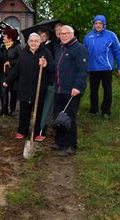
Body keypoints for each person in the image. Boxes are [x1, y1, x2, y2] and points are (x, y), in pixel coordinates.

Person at [3, 33, 54, 141]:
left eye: (36, 41)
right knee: (24, 111)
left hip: (40, 88)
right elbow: (17, 69)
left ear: (40, 42)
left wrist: (46, 65)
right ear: (28, 42)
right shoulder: (23, 53)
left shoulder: (45, 52)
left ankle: (39, 132)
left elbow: (53, 69)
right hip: (24, 88)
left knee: (40, 112)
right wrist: (7, 81)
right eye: (31, 41)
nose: (33, 43)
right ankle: (22, 131)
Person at [53, 25, 88, 156]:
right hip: (59, 89)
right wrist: (46, 64)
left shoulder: (79, 49)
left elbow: (83, 70)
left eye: (67, 33)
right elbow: (56, 67)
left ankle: (71, 145)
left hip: (71, 90)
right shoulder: (60, 48)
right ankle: (59, 141)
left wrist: (78, 87)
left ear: (72, 34)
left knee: (69, 117)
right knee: (58, 116)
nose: (64, 35)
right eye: (61, 33)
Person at [83, 15, 120, 119]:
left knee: (107, 91)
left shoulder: (111, 35)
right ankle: (93, 110)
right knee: (93, 91)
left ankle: (106, 111)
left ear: (104, 24)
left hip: (106, 68)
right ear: (93, 24)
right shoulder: (88, 37)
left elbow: (118, 52)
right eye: (96, 23)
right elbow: (83, 53)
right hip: (92, 68)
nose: (98, 25)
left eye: (100, 23)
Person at [0, 28, 22, 116]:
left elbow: (20, 60)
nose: (3, 37)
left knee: (13, 92)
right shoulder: (2, 46)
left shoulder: (17, 47)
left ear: (10, 37)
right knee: (3, 92)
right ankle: (4, 110)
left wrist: (11, 62)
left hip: (13, 74)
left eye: (4, 35)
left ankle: (12, 110)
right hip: (3, 73)